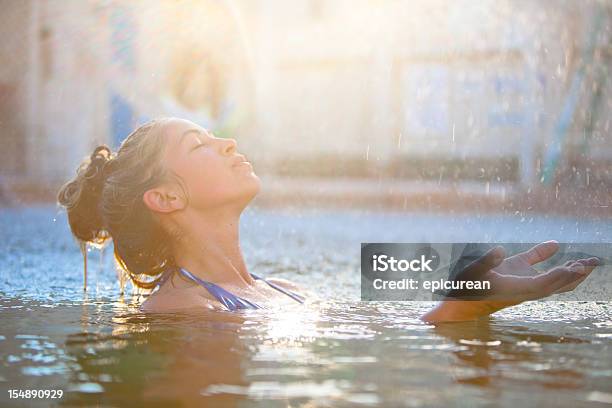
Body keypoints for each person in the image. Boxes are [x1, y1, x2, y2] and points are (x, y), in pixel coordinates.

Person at [56, 117, 600, 322]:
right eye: (199, 144)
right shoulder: (181, 306)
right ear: (167, 198)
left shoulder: (284, 289)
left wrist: (470, 293)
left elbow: (405, 324)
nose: (227, 142)